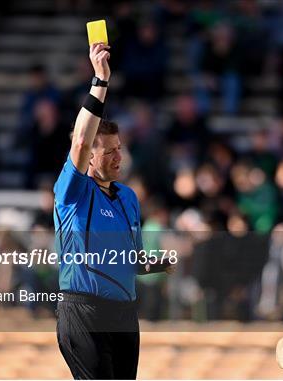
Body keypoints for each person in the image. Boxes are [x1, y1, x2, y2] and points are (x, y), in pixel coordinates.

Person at [53, 43, 173, 380]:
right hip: (84, 311)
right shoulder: (73, 191)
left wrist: (150, 265)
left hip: (123, 314)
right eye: (108, 152)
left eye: (120, 149)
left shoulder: (129, 198)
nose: (118, 157)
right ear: (89, 156)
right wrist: (100, 80)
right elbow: (79, 141)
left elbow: (128, 260)